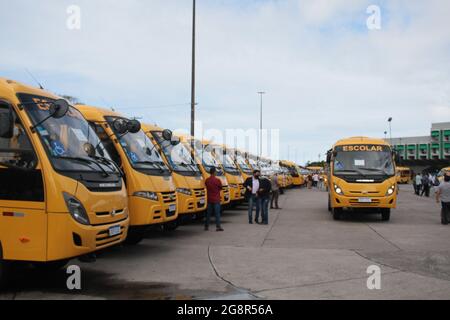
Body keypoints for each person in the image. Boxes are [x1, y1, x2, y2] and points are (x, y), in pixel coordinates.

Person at [204, 167, 223, 231]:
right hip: (216, 199)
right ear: (214, 172)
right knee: (217, 214)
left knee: (208, 214)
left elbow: (206, 186)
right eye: (216, 171)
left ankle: (206, 226)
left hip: (209, 199)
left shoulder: (207, 180)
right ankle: (218, 227)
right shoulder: (217, 180)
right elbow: (220, 188)